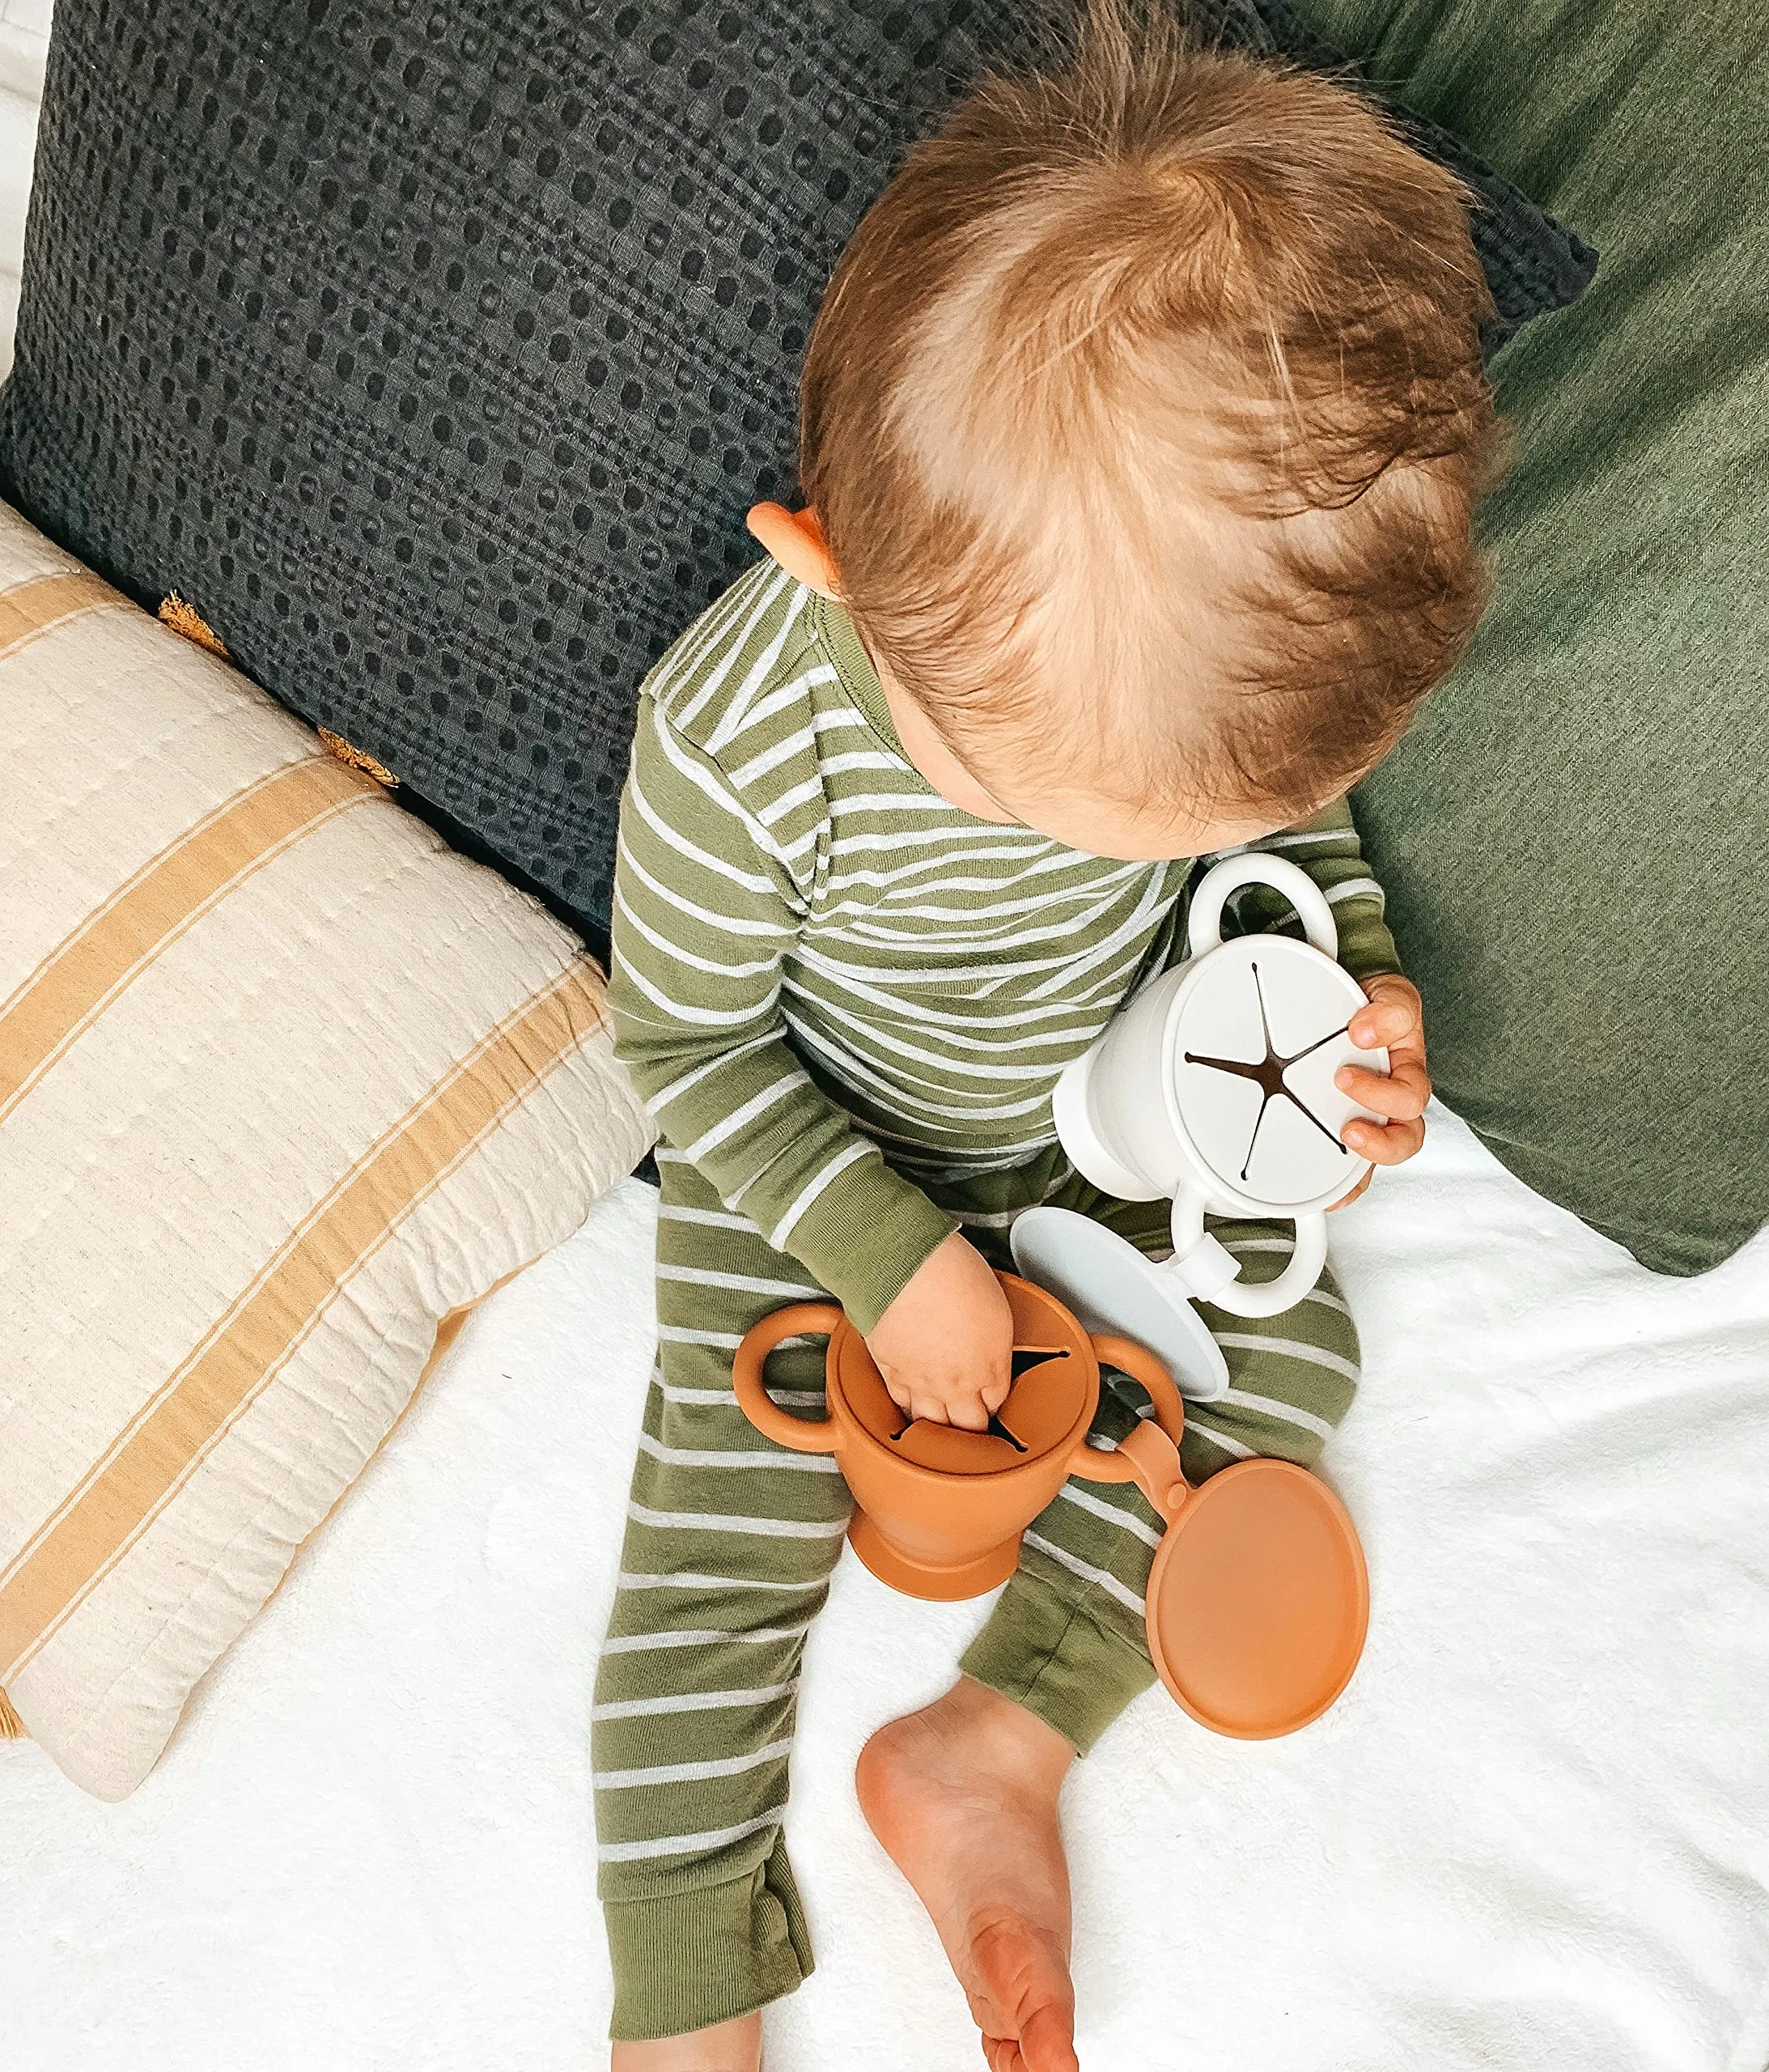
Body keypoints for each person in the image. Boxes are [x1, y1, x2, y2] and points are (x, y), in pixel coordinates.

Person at [593, 7, 1496, 2065]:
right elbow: (686, 1047)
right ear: (832, 566)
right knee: (714, 1524)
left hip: (1099, 1101)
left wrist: (1341, 983)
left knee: (1296, 1342)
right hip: (811, 1145)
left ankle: (991, 1743)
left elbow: (1287, 819)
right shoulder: (742, 734)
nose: (1163, 845)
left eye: (1185, 820)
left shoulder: (1190, 685)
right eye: (1054, 806)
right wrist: (891, 1253)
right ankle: (687, 1977)